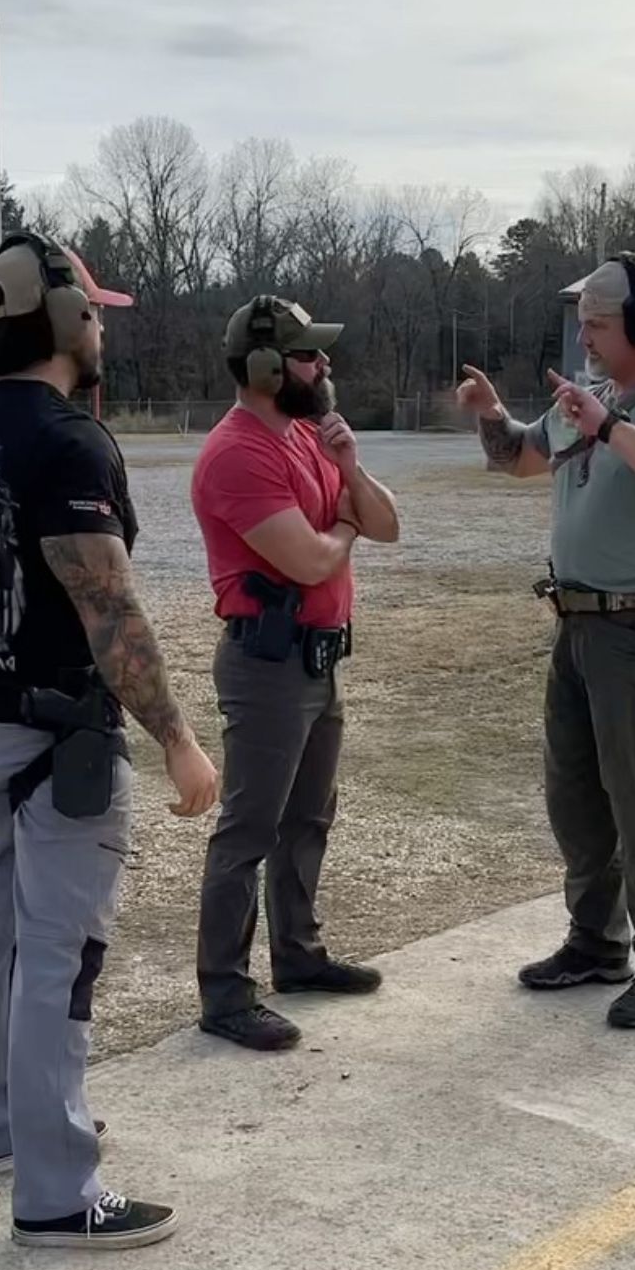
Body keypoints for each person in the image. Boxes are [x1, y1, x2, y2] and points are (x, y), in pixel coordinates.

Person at [0, 233, 219, 1250]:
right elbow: (109, 610)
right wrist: (177, 737)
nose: (100, 329)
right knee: (60, 952)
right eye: (91, 311)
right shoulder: (66, 442)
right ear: (60, 321)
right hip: (57, 738)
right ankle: (56, 1188)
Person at [457, 252, 635, 1029]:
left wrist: (610, 428)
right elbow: (520, 459)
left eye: (598, 326)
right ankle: (595, 943)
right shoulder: (593, 399)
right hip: (578, 628)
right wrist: (490, 412)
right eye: (581, 326)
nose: (584, 340)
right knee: (576, 799)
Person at [191, 295, 400, 1051]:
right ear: (266, 367)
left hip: (318, 659)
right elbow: (311, 559)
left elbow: (388, 524)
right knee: (249, 830)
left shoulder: (311, 436)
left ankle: (299, 956)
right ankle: (224, 995)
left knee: (309, 817)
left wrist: (350, 470)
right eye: (309, 354)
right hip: (268, 665)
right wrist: (343, 524)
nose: (324, 364)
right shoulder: (237, 453)